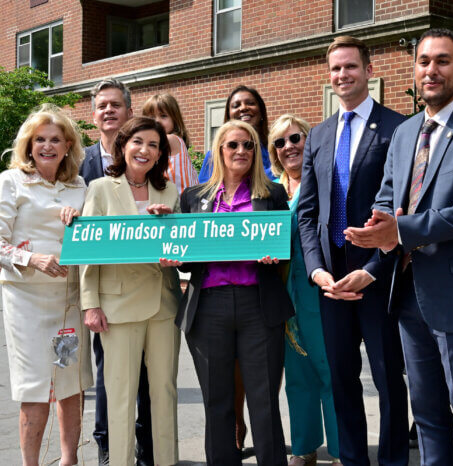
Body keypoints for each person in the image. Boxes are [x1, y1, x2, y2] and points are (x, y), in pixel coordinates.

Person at [345, 28, 453, 465]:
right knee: (428, 416)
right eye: (423, 61)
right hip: (408, 295)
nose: (431, 70)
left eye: (442, 60)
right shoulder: (404, 133)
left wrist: (399, 230)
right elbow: (387, 194)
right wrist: (378, 226)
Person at [296, 35, 409, 465]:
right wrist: (316, 271)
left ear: (368, 70)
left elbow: (404, 210)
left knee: (387, 380)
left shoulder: (398, 128)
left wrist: (376, 268)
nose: (342, 75)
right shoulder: (320, 134)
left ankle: (394, 459)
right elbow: (308, 214)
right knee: (341, 380)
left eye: (350, 67)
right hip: (331, 282)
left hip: (378, 278)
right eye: (335, 69)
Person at [169, 120, 293, 465]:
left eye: (248, 145)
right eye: (233, 145)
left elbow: (286, 247)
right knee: (217, 402)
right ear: (219, 151)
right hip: (208, 308)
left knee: (264, 401)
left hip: (259, 305)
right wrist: (176, 253)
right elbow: (188, 259)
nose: (241, 152)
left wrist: (275, 254)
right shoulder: (194, 197)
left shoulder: (272, 194)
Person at [0, 103, 93, 466]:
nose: (47, 146)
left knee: (69, 385)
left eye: (55, 139)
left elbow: (95, 233)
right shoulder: (11, 181)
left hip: (69, 301)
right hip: (26, 301)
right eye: (40, 139)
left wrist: (80, 218)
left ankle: (68, 460)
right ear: (29, 145)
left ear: (67, 145)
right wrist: (33, 259)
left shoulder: (80, 186)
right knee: (34, 388)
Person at [80, 117, 182, 466]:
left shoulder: (170, 191)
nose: (145, 150)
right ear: (123, 146)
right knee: (120, 396)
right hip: (117, 306)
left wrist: (172, 241)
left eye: (154, 145)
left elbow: (181, 249)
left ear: (160, 154)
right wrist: (90, 304)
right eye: (138, 141)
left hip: (163, 305)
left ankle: (167, 461)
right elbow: (89, 251)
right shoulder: (100, 189)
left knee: (164, 394)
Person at [79, 78, 154, 466]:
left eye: (115, 105)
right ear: (94, 114)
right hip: (107, 292)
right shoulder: (81, 160)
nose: (108, 110)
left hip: (152, 289)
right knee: (111, 375)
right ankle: (108, 446)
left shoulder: (146, 152)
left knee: (148, 376)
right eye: (101, 105)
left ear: (129, 111)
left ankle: (145, 447)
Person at [268, 114, 340, 465]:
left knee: (329, 369)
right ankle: (304, 446)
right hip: (285, 292)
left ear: (309, 141)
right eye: (280, 143)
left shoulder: (326, 181)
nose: (289, 147)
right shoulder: (271, 191)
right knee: (297, 372)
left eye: (295, 138)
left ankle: (344, 450)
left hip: (318, 288)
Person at [198, 85, 274, 183]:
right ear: (229, 115)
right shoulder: (215, 155)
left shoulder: (277, 149)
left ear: (261, 111)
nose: (243, 108)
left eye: (250, 103)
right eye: (236, 105)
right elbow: (204, 191)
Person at [142, 93, 199, 193]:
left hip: (182, 202)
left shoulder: (170, 140)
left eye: (163, 116)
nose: (157, 121)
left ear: (175, 120)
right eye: (151, 118)